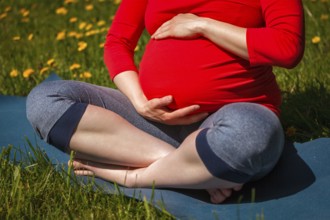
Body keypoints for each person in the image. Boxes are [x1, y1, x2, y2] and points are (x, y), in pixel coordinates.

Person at [26, 0, 304, 204]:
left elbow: (287, 46)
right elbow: (117, 42)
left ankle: (136, 177)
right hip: (150, 122)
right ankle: (189, 168)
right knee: (44, 100)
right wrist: (139, 101)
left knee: (248, 137)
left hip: (231, 115)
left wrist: (202, 24)